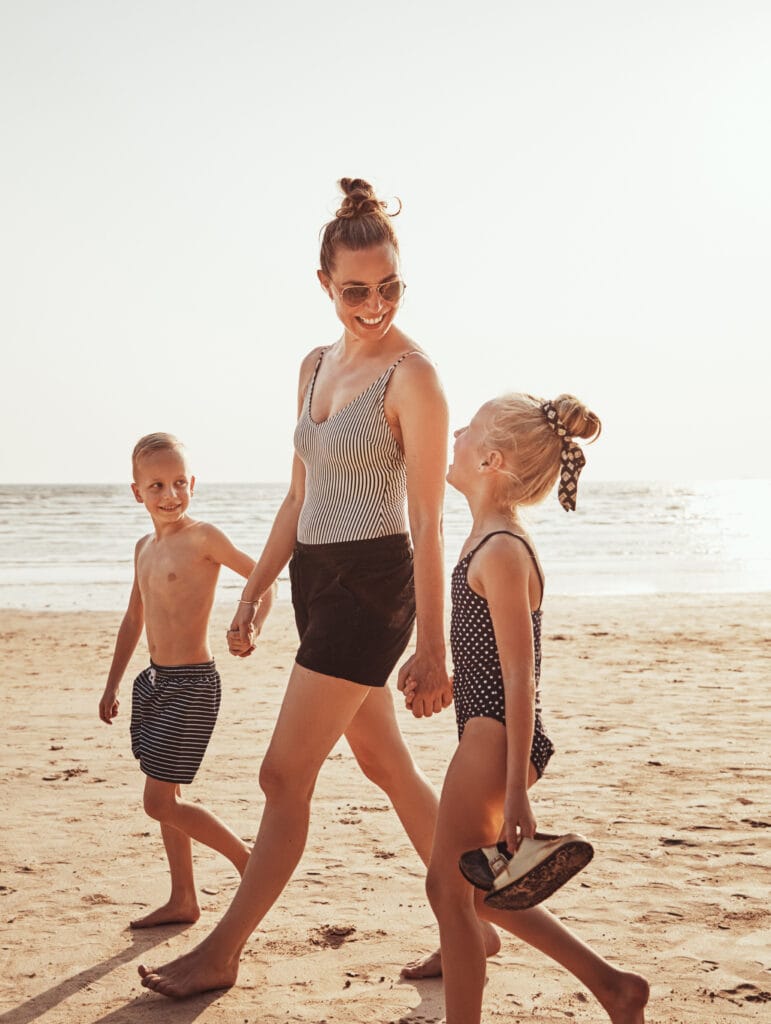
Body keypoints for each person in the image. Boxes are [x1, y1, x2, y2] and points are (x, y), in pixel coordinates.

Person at [138, 177, 499, 997]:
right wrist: (257, 586)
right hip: (315, 580)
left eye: (389, 286)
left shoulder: (415, 377)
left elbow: (429, 520)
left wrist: (434, 648)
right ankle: (470, 920)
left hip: (376, 589)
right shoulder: (312, 366)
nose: (374, 305)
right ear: (324, 285)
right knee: (385, 765)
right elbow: (298, 495)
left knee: (280, 776)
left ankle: (221, 951)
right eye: (355, 290)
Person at [409, 393, 649, 1023]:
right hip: (486, 728)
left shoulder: (503, 551)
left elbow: (522, 676)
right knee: (482, 892)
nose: (454, 434)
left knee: (448, 891)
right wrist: (449, 684)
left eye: (467, 430)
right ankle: (615, 987)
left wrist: (516, 790)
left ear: (490, 459)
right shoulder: (487, 538)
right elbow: (492, 663)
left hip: (498, 739)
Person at [98, 432, 274, 929]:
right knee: (167, 799)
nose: (170, 495)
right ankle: (183, 899)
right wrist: (112, 684)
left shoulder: (204, 537)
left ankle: (249, 864)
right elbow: (134, 620)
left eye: (179, 483)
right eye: (156, 486)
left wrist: (251, 626)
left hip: (194, 684)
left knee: (157, 801)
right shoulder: (143, 548)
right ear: (137, 492)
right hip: (154, 683)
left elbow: (264, 581)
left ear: (192, 483)